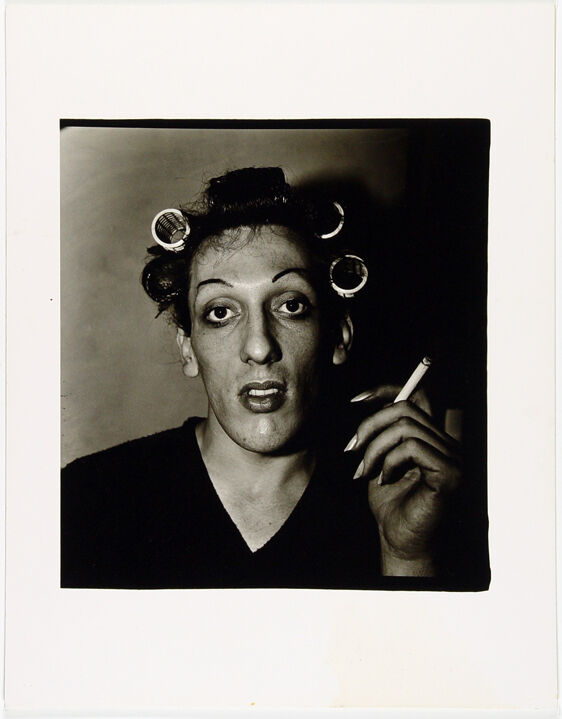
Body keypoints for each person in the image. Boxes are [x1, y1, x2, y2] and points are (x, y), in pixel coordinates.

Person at [61, 166, 464, 589]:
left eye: (291, 305)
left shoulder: (401, 500)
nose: (258, 346)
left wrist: (407, 555)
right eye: (220, 312)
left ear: (338, 336)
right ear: (187, 347)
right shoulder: (87, 499)